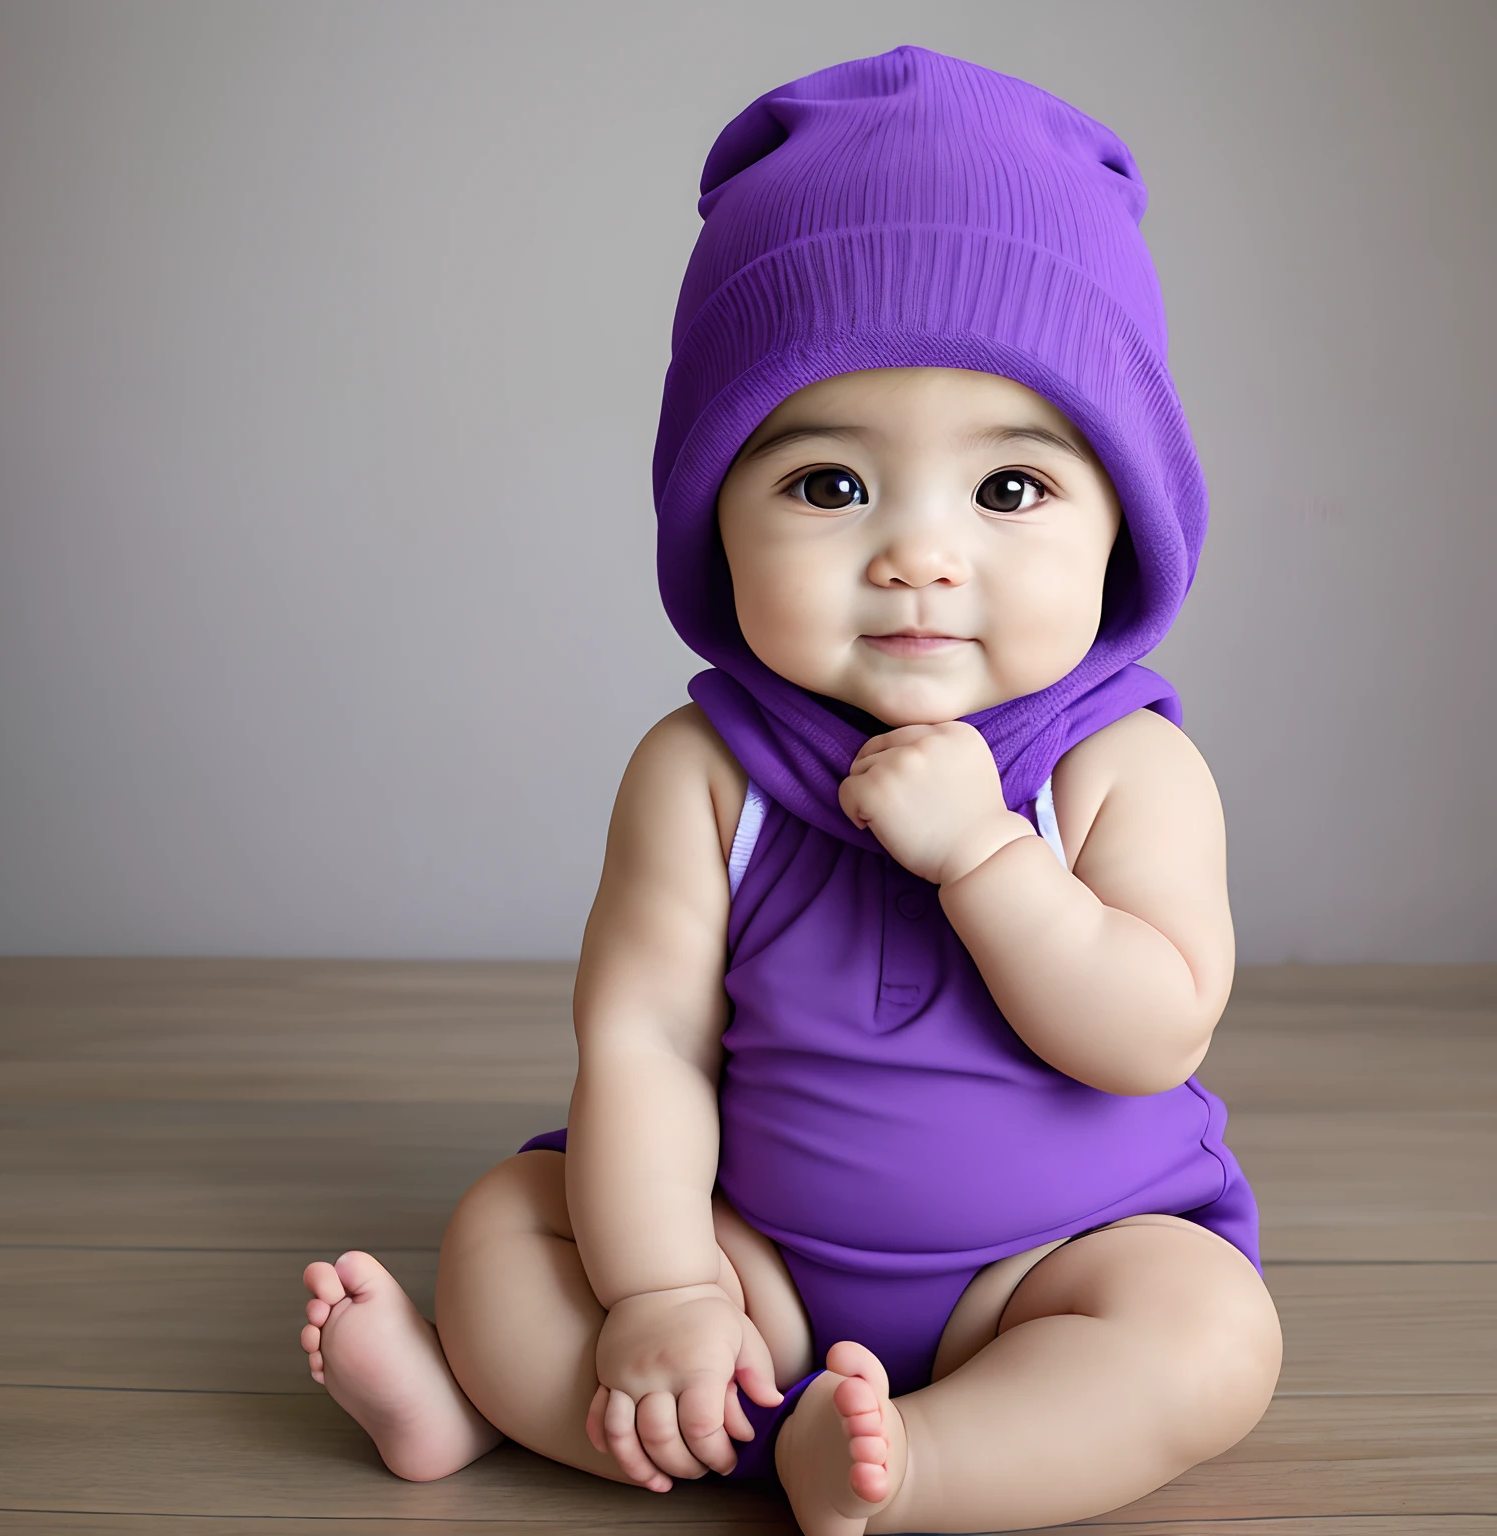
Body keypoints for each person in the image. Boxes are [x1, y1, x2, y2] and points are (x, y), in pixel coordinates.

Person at [298, 46, 1283, 1534]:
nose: (918, 556)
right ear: (715, 515)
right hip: (748, 1251)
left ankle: (920, 1464)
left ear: (1121, 526)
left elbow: (1151, 1032)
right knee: (510, 1223)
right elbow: (642, 1045)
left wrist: (987, 863)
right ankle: (481, 1400)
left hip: (1052, 1265)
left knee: (1209, 1338)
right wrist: (668, 1287)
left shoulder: (1124, 767)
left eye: (1009, 489)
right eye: (830, 486)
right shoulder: (704, 774)